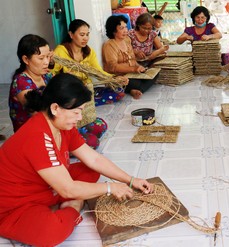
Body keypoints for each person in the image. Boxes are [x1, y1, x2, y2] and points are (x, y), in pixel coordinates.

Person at [0, 73, 153, 246]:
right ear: (55, 108)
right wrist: (109, 188)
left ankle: (63, 202)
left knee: (92, 169)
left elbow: (94, 159)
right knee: (51, 232)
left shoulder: (62, 125)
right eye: (76, 112)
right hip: (15, 205)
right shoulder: (36, 135)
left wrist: (131, 180)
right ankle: (73, 206)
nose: (80, 117)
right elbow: (68, 189)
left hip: (47, 186)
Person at [53, 19, 127, 107]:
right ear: (71, 34)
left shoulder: (89, 51)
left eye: (87, 34)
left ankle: (84, 102)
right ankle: (83, 103)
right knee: (70, 99)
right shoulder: (61, 51)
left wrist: (115, 79)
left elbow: (98, 72)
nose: (85, 38)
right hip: (69, 92)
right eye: (82, 35)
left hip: (86, 88)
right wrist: (66, 78)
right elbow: (52, 74)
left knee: (118, 91)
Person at [102, 15, 157, 99]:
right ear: (113, 30)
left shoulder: (127, 40)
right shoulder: (109, 45)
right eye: (121, 28)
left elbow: (133, 59)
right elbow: (112, 67)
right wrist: (133, 69)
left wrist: (139, 67)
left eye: (125, 27)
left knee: (155, 74)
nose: (125, 31)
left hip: (132, 74)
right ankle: (134, 89)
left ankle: (133, 89)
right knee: (132, 82)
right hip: (118, 76)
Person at [9, 34, 53, 132]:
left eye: (48, 56)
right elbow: (39, 114)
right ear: (26, 59)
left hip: (49, 123)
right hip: (31, 132)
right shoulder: (21, 83)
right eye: (41, 58)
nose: (46, 62)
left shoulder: (46, 75)